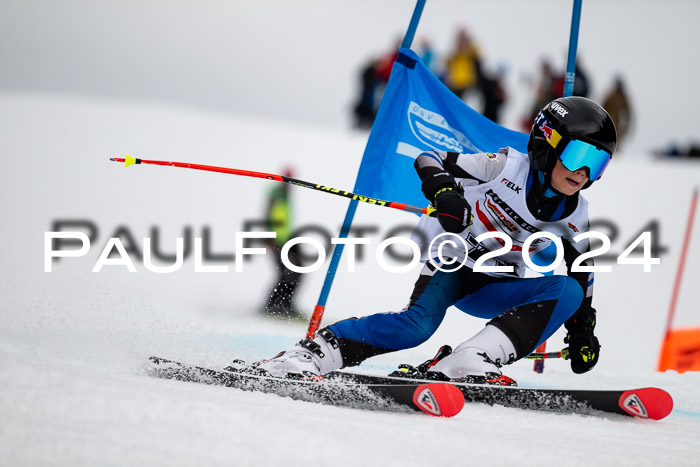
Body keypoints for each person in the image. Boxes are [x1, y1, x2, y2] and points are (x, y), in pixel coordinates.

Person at [259, 97, 617, 384]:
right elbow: (429, 158)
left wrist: (583, 328)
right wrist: (445, 193)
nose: (584, 172)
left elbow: (581, 274)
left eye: (598, 162)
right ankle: (315, 352)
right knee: (415, 328)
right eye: (579, 155)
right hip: (453, 265)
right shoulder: (505, 166)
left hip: (496, 287)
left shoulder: (576, 213)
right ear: (547, 143)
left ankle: (470, 359)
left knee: (566, 292)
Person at [262, 168, 304, 319]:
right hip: (276, 241)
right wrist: (269, 238)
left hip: (286, 239)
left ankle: (284, 305)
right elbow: (267, 215)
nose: (290, 185)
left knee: (296, 271)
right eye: (287, 180)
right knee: (286, 273)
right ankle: (273, 306)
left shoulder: (285, 195)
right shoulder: (277, 194)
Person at [602, 76, 633, 151]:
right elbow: (603, 108)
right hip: (609, 125)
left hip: (618, 126)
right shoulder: (610, 96)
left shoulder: (623, 98)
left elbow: (628, 114)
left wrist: (626, 127)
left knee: (616, 147)